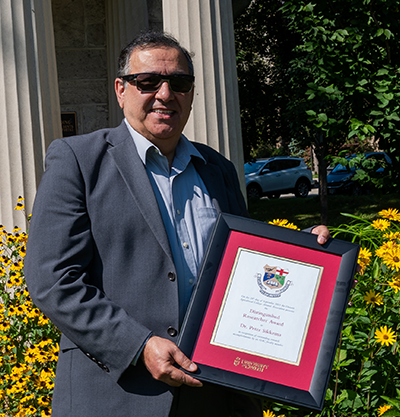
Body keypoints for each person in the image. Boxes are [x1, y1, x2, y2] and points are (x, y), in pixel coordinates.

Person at [25, 31, 330, 417]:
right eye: (148, 82)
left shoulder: (217, 168)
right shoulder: (78, 160)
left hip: (216, 395)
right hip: (117, 395)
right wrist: (138, 345)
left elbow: (242, 266)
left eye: (179, 83)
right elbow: (52, 279)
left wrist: (303, 258)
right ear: (121, 90)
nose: (165, 94)